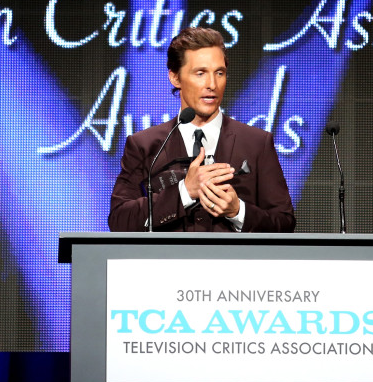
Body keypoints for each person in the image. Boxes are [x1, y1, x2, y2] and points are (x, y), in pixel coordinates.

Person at [108, 27, 295, 232]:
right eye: (200, 73)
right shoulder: (144, 145)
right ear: (175, 77)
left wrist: (238, 211)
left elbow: (284, 223)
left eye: (219, 73)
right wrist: (184, 192)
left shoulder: (256, 143)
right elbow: (120, 220)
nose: (212, 84)